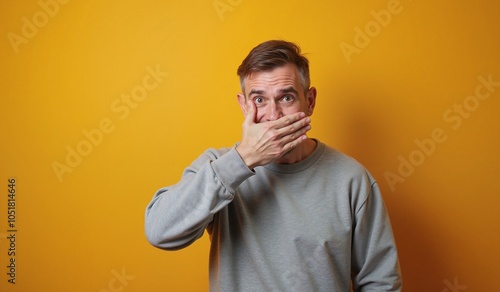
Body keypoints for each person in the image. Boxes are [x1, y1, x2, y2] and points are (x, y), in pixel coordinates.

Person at [145, 40, 402, 291]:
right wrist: (242, 160)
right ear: (243, 105)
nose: (273, 115)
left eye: (286, 98)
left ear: (309, 101)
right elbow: (160, 232)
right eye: (259, 100)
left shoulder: (351, 179)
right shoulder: (218, 167)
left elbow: (380, 281)